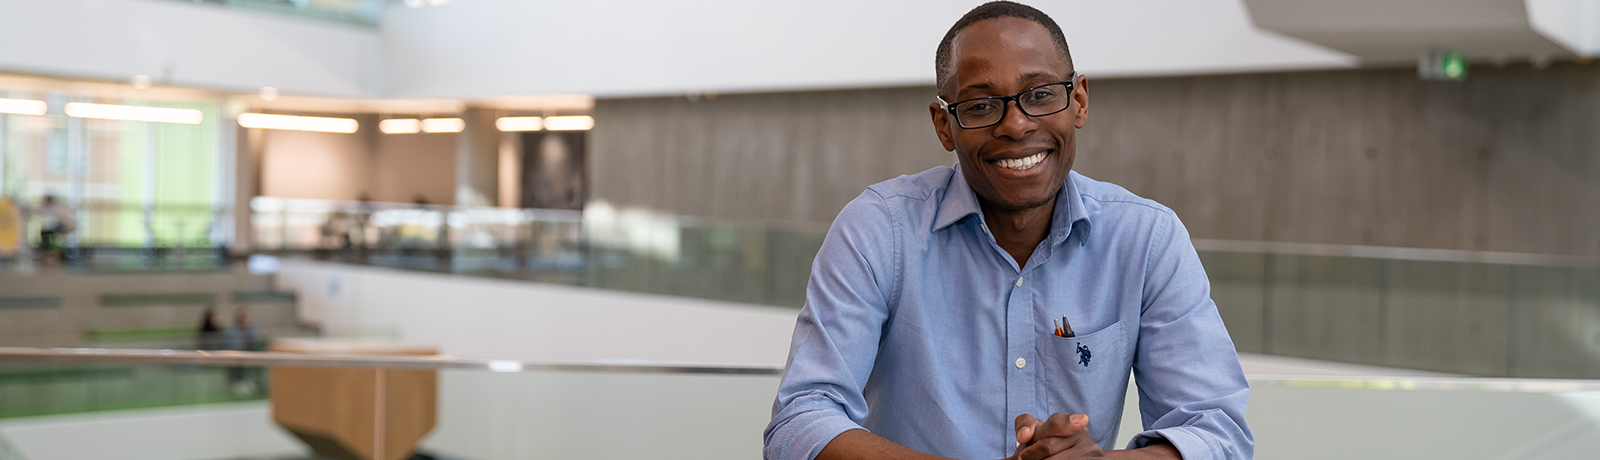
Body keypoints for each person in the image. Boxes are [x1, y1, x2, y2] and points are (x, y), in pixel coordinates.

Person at [764, 3, 1252, 460]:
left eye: (1040, 95)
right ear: (943, 124)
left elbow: (1217, 432)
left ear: (1078, 101)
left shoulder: (1147, 239)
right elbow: (800, 422)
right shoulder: (878, 229)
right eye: (979, 106)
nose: (1016, 125)